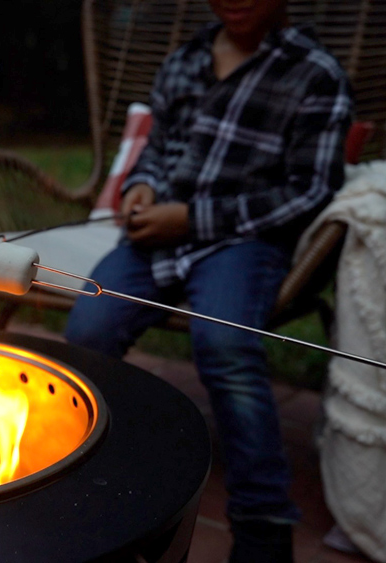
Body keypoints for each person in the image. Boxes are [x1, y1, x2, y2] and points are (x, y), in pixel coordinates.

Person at [64, 0, 353, 560]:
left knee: (223, 343)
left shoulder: (315, 74)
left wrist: (195, 219)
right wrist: (140, 190)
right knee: (90, 328)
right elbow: (157, 152)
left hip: (241, 240)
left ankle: (262, 523)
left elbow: (310, 189)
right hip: (156, 237)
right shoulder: (185, 60)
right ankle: (109, 483)